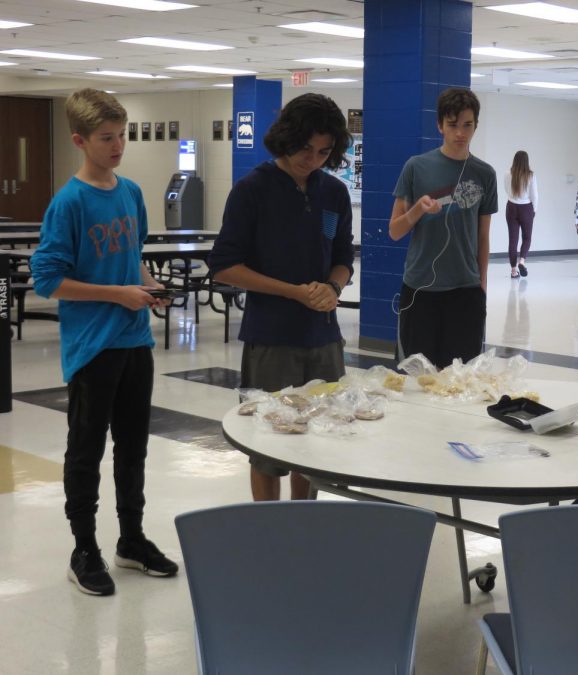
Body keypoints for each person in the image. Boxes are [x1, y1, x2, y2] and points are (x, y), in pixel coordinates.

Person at [29, 89, 179, 597]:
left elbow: (132, 257)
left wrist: (146, 287)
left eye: (123, 136)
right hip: (93, 347)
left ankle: (131, 540)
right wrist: (117, 294)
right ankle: (84, 549)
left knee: (133, 448)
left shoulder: (131, 191)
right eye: (107, 138)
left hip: (135, 341)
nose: (118, 146)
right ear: (80, 140)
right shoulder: (69, 202)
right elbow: (48, 278)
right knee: (86, 452)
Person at [207, 93, 354, 502]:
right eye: (306, 149)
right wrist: (293, 292)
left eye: (324, 152)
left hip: (324, 340)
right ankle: (270, 529)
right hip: (272, 339)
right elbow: (223, 265)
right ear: (287, 138)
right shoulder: (253, 189)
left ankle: (301, 523)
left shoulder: (334, 194)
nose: (314, 159)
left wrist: (333, 287)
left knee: (314, 444)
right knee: (269, 446)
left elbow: (343, 257)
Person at [389, 87, 498, 369]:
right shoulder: (416, 167)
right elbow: (395, 231)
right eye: (452, 125)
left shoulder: (485, 174)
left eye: (467, 125)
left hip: (466, 290)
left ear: (476, 126)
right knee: (417, 378)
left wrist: (481, 286)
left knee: (460, 380)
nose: (460, 133)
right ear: (440, 126)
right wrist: (417, 210)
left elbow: (483, 236)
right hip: (421, 288)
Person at [504, 150, 538, 278]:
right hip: (526, 208)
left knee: (513, 240)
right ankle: (522, 261)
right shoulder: (531, 175)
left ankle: (513, 270)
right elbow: (534, 196)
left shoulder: (508, 174)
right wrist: (533, 211)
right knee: (527, 237)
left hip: (511, 207)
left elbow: (506, 189)